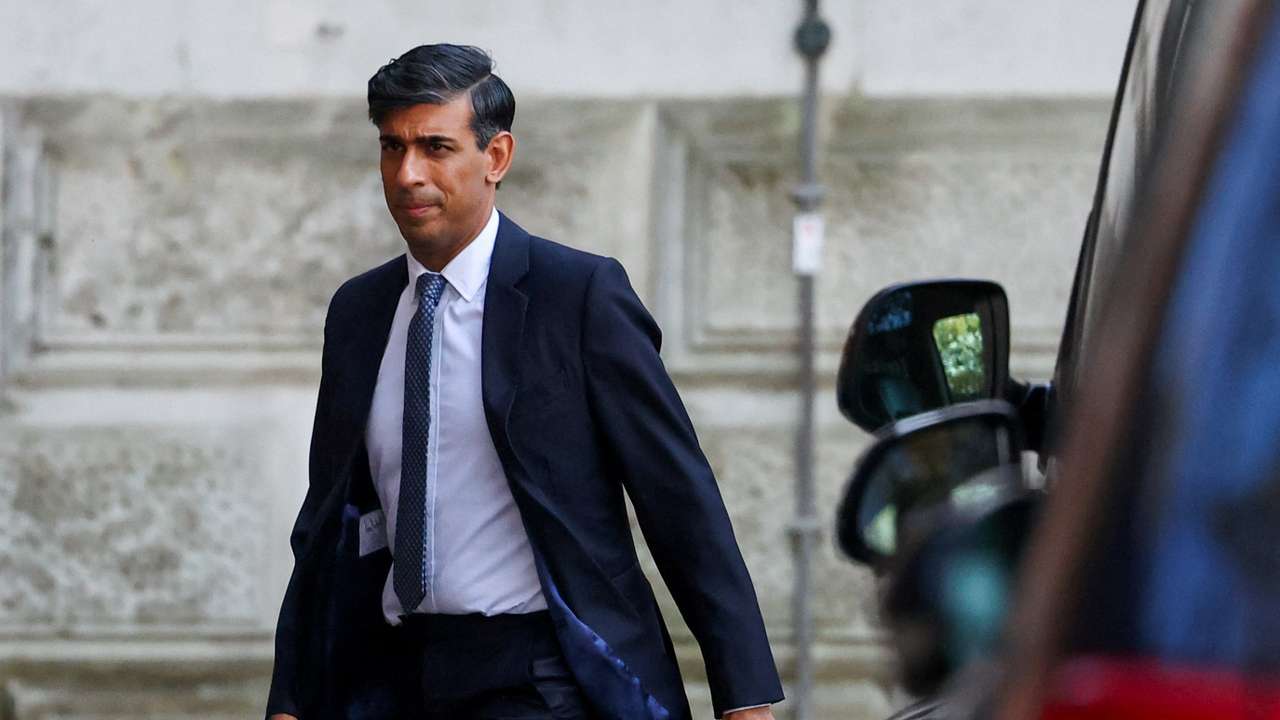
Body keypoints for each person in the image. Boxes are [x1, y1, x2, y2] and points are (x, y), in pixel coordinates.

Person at [265, 44, 783, 720]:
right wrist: (291, 698)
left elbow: (680, 503)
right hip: (392, 676)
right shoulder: (359, 313)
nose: (408, 174)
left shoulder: (579, 297)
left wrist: (744, 698)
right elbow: (326, 523)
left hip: (541, 676)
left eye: (435, 147)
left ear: (496, 157)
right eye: (392, 148)